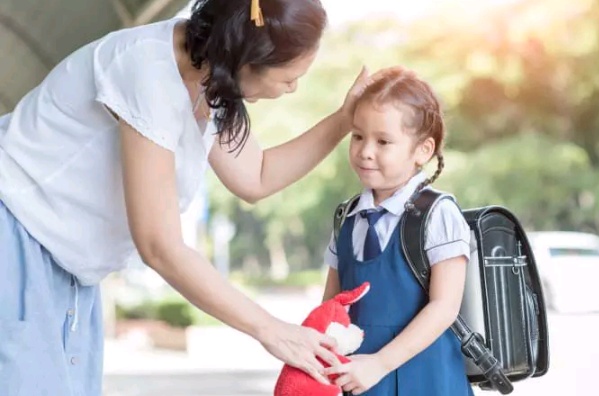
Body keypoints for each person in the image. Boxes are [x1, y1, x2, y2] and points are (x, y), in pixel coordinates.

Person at [0, 0, 394, 394]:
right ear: (248, 56)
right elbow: (159, 245)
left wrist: (346, 119)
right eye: (288, 78)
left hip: (69, 266)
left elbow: (256, 177)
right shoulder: (148, 71)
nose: (293, 88)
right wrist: (271, 330)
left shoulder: (210, 80)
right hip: (18, 238)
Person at [321, 70, 474, 395]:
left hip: (427, 382)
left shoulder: (437, 214)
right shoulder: (346, 218)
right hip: (361, 384)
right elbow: (332, 308)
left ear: (423, 150)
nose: (365, 151)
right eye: (358, 136)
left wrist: (379, 364)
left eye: (383, 141)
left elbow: (444, 307)